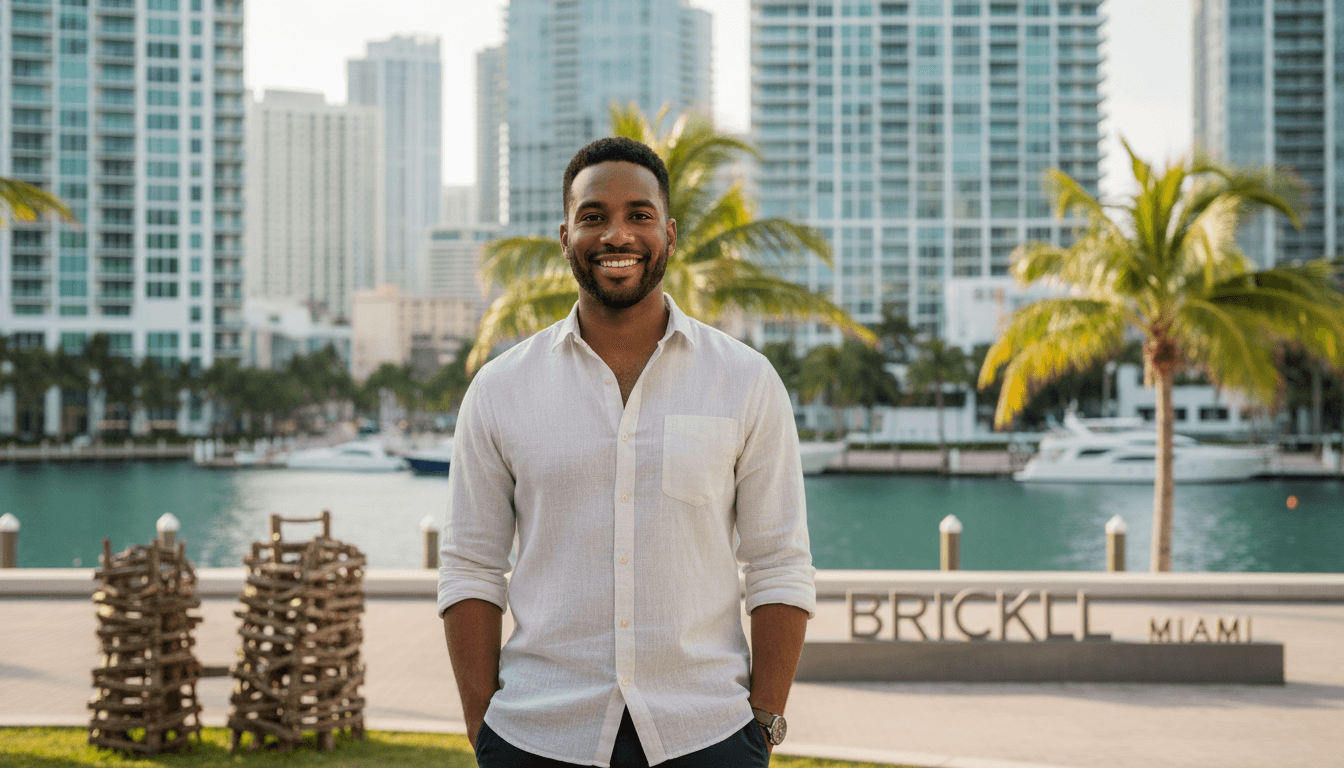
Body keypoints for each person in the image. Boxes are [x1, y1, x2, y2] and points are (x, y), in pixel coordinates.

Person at [438, 136, 814, 767]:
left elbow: (778, 562)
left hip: (708, 735)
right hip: (537, 735)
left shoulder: (745, 381)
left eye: (639, 215)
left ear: (668, 234)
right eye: (594, 217)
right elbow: (472, 567)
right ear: (565, 237)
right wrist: (484, 730)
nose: (617, 235)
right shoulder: (500, 389)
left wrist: (763, 724)